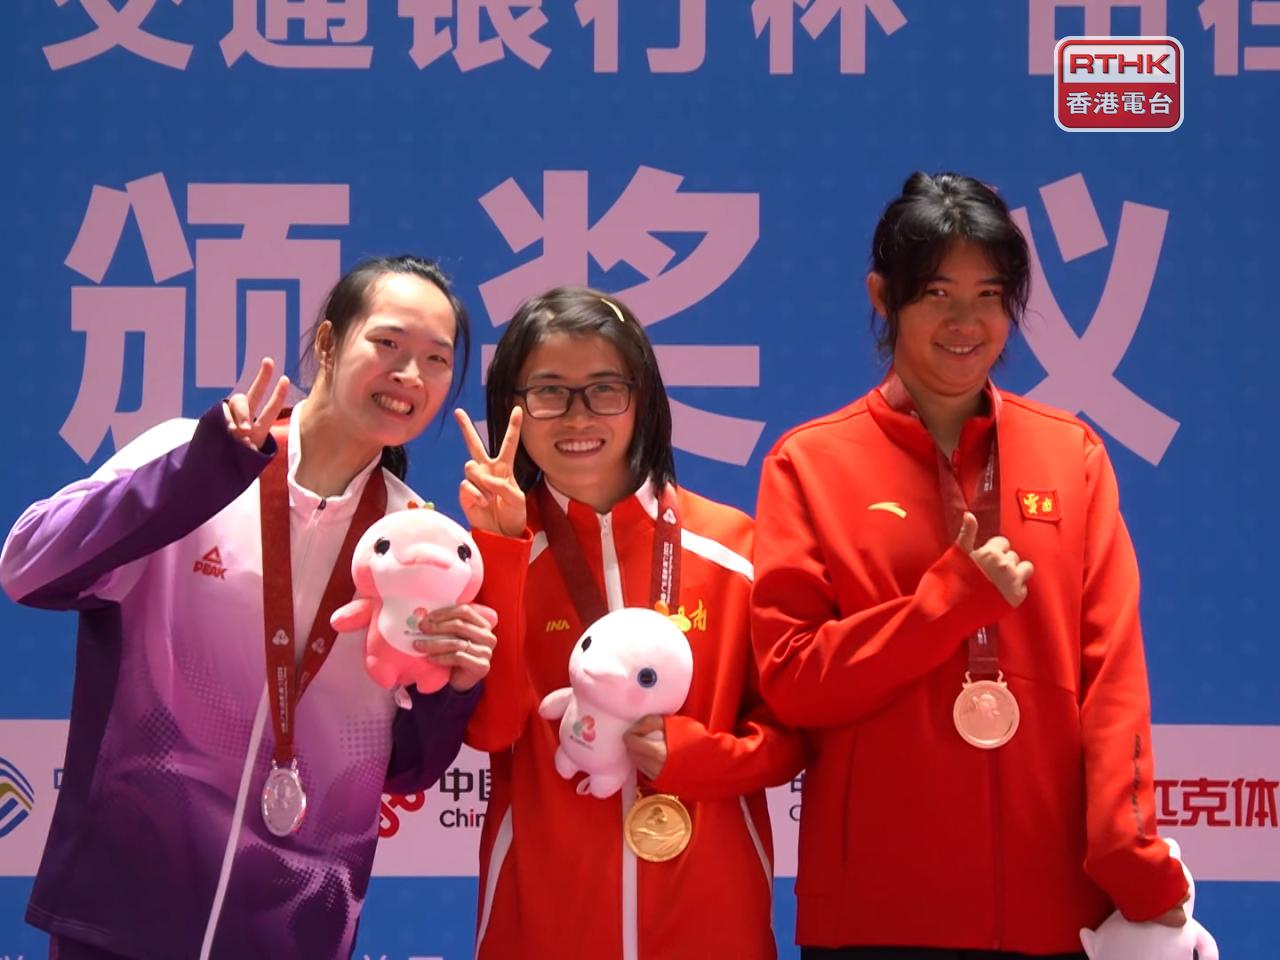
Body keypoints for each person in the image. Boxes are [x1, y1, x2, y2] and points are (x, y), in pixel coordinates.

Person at [1, 255, 510, 960]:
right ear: (329, 344)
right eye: (388, 344)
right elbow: (29, 569)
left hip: (294, 931)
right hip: (123, 910)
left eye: (435, 359)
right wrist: (196, 480)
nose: (409, 375)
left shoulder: (419, 544)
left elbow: (408, 769)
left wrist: (453, 689)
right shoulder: (191, 456)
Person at [750, 172, 1190, 959]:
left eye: (990, 295)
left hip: (1055, 917)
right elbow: (794, 680)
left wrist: (1137, 866)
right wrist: (947, 603)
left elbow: (1113, 682)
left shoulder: (1071, 454)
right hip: (875, 918)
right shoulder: (810, 462)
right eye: (938, 294)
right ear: (883, 296)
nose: (967, 322)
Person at [452, 286, 805, 960]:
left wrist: (705, 758)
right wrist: (499, 556)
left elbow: (794, 735)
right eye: (550, 391)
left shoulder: (733, 550)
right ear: (514, 408)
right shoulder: (490, 552)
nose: (578, 416)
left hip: (712, 923)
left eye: (604, 389)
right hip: (544, 926)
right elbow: (490, 729)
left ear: (641, 397)